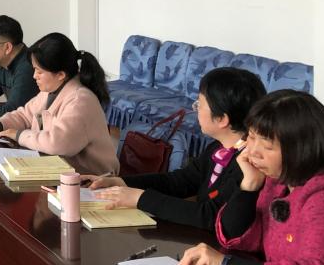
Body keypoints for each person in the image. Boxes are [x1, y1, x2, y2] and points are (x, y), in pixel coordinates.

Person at [179, 91, 324, 265]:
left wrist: (223, 263)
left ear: (301, 149)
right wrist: (249, 185)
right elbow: (234, 237)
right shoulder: (278, 181)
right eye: (251, 137)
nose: (252, 152)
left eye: (267, 146)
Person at [89, 67, 266, 229]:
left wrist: (140, 198)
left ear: (222, 119)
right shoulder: (217, 147)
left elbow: (210, 215)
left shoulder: (247, 164)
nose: (195, 109)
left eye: (199, 104)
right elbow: (180, 181)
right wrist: (121, 182)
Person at [0, 32, 118, 175]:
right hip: (60, 171)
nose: (34, 76)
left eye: (39, 71)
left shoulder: (80, 101)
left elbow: (58, 143)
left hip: (93, 180)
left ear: (61, 75)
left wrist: (18, 135)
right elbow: (25, 115)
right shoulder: (50, 91)